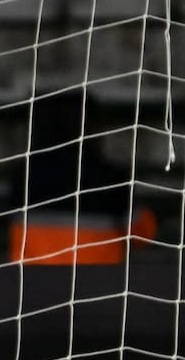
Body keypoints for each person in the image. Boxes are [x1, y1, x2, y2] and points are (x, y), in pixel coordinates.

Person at [9, 87, 156, 264]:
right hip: (100, 287)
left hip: (34, 287)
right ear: (92, 128)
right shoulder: (109, 178)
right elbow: (143, 235)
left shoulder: (23, 177)